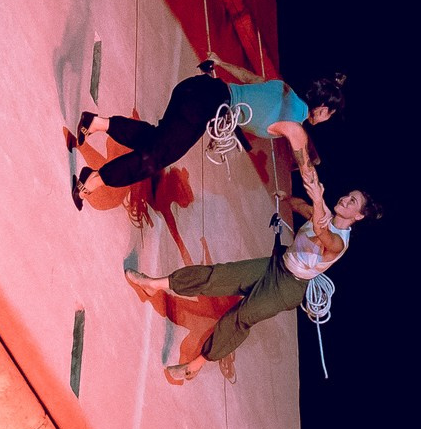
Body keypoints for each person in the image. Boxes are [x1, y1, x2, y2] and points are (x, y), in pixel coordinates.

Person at [127, 166, 380, 381]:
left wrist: (318, 200)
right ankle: (154, 284)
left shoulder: (339, 243)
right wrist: (287, 197)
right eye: (348, 195)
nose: (345, 199)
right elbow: (302, 207)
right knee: (218, 275)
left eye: (352, 201)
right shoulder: (322, 214)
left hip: (287, 288)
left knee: (241, 317)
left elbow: (322, 233)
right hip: (276, 265)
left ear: (357, 216)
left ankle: (195, 366)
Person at [73, 59, 343, 203]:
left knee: (158, 138)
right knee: (155, 158)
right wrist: (318, 196)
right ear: (322, 109)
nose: (328, 118)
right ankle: (94, 179)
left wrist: (220, 62)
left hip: (198, 88)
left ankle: (97, 123)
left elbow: (249, 78)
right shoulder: (297, 127)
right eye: (331, 113)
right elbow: (305, 166)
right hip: (202, 107)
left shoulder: (283, 88)